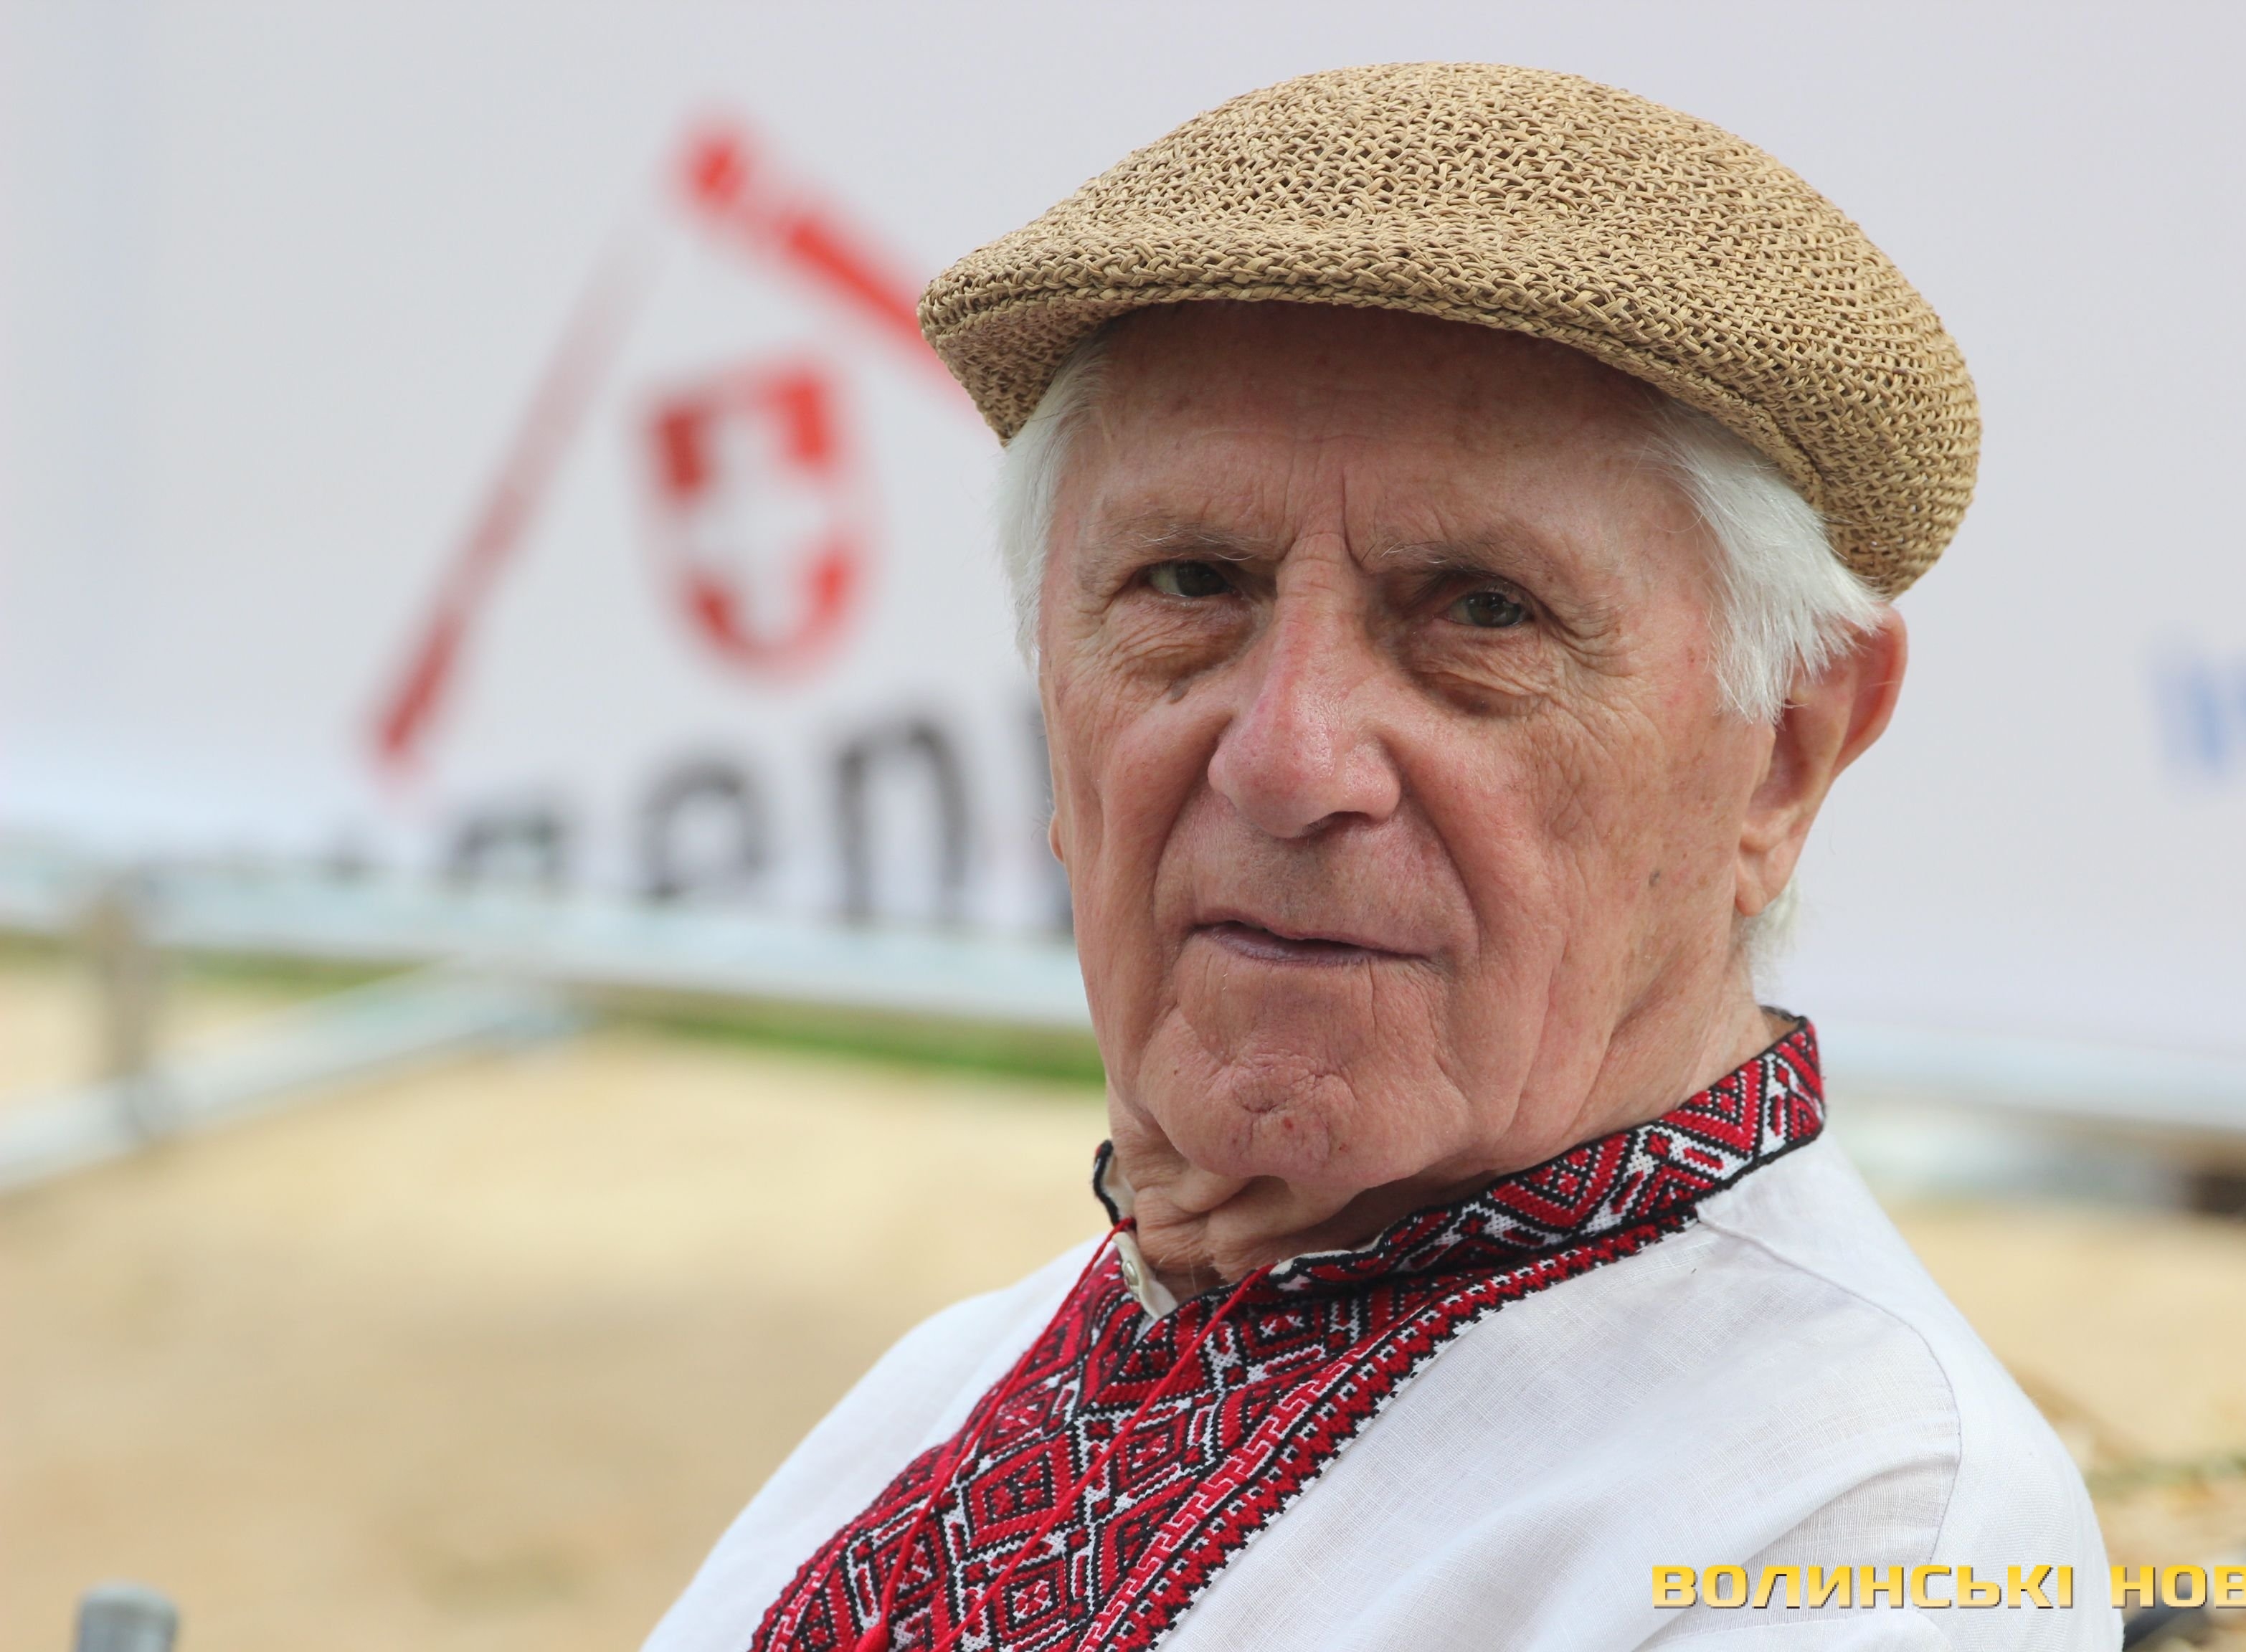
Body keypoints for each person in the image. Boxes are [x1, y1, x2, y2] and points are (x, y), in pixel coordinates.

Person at [648, 63, 2114, 1651]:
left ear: (1784, 753)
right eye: (1190, 584)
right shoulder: (952, 1384)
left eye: (1483, 612)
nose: (1288, 762)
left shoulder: (1866, 1525)